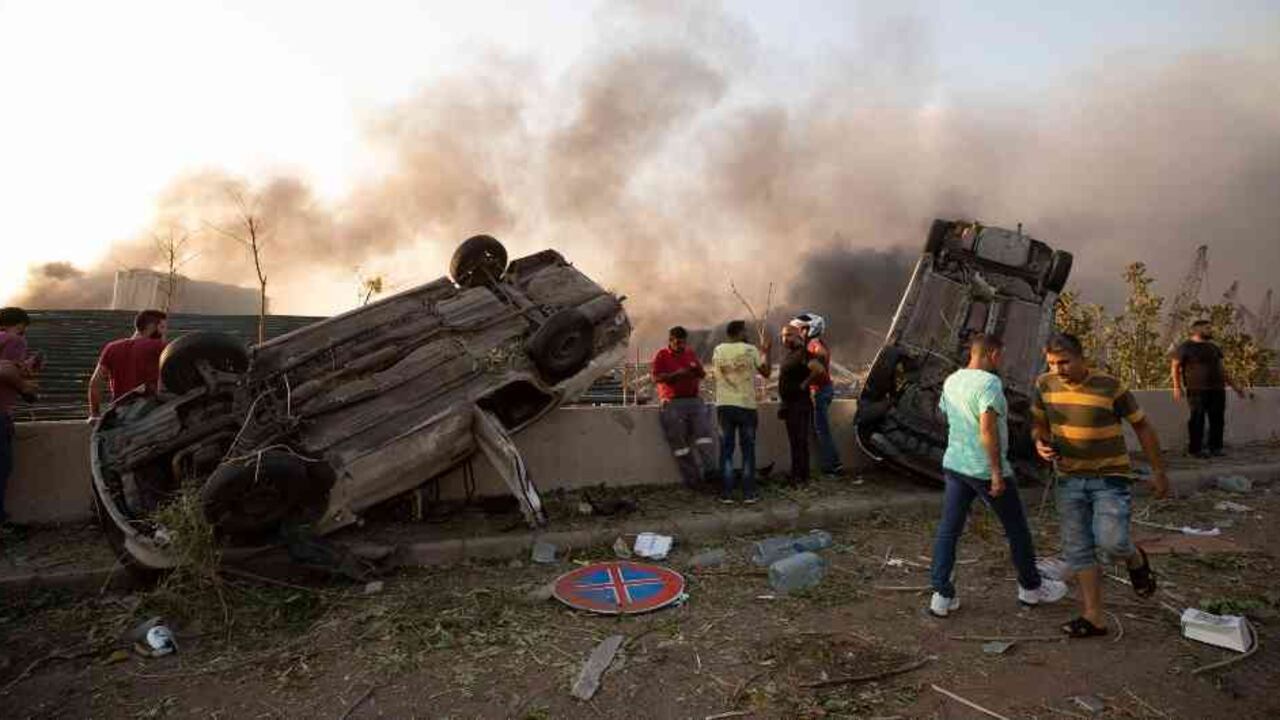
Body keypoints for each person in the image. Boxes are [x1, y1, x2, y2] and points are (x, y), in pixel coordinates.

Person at [1032, 333, 1170, 639]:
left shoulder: (1110, 386)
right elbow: (1039, 424)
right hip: (1068, 479)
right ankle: (1094, 617)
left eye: (1065, 362)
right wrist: (1040, 443)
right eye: (1052, 363)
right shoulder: (1044, 384)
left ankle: (1135, 558)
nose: (1059, 370)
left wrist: (1159, 471)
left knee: (1112, 542)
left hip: (1109, 479)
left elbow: (1142, 426)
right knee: (1079, 549)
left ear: (1082, 357)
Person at [928, 334, 1067, 617]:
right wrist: (995, 474)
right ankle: (1031, 588)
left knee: (949, 530)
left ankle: (941, 595)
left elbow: (946, 414)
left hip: (955, 465)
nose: (1000, 361)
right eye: (999, 355)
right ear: (991, 354)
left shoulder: (952, 380)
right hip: (984, 469)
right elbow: (987, 430)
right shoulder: (990, 384)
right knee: (1016, 529)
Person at [711, 320, 772, 504]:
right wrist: (766, 352)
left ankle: (727, 494)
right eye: (745, 330)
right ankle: (748, 494)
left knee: (726, 451)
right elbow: (767, 372)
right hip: (746, 407)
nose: (747, 333)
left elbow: (717, 373)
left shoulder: (718, 350)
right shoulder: (750, 350)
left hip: (724, 406)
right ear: (739, 332)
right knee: (748, 451)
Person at [1171, 319, 1249, 458]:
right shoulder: (1185, 347)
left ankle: (1216, 448)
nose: (1210, 330)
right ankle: (1195, 450)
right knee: (1197, 419)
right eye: (1207, 328)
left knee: (1217, 419)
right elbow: (1175, 367)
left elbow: (1222, 370)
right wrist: (1177, 387)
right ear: (1197, 330)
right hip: (1197, 389)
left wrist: (1235, 386)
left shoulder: (1214, 347)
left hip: (1217, 389)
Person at [651, 326, 716, 489]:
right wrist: (675, 375)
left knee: (704, 438)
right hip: (673, 404)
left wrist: (695, 370)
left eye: (683, 342)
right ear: (671, 340)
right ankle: (693, 480)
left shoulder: (690, 354)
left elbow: (702, 374)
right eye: (678, 342)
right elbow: (656, 378)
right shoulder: (662, 355)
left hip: (694, 401)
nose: (681, 345)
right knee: (680, 444)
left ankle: (711, 474)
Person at [88, 309, 169, 420]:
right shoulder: (159, 347)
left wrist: (95, 414)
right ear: (151, 327)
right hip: (149, 416)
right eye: (162, 327)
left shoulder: (111, 348)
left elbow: (95, 383)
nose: (165, 332)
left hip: (119, 416)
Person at [0, 307, 40, 526]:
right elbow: (5, 371)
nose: (22, 336)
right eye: (21, 331)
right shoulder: (13, 340)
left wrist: (24, 367)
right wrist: (25, 388)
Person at [791, 313, 843, 477]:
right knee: (820, 430)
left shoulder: (813, 343)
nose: (800, 332)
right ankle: (833, 464)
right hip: (823, 390)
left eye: (802, 329)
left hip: (819, 391)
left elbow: (822, 355)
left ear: (811, 328)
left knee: (822, 431)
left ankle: (833, 466)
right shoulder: (815, 342)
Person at [778, 323, 825, 484]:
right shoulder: (791, 354)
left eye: (788, 335)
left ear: (797, 336)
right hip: (790, 405)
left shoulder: (802, 354)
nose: (785, 339)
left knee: (799, 441)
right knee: (796, 442)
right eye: (783, 336)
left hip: (799, 404)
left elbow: (818, 369)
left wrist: (804, 385)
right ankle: (798, 475)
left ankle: (800, 477)